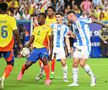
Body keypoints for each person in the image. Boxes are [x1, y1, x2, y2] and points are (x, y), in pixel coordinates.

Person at [17, 13, 52, 85]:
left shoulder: (48, 28)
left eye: (40, 18)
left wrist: (50, 52)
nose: (38, 19)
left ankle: (48, 79)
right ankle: (22, 72)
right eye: (38, 18)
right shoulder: (35, 28)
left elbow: (51, 41)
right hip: (35, 49)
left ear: (44, 19)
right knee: (28, 64)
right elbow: (31, 39)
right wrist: (25, 47)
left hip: (44, 49)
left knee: (45, 60)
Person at [66, 11, 96, 87]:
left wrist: (105, 25)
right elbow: (76, 36)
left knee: (82, 63)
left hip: (86, 45)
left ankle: (93, 77)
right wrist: (71, 34)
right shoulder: (73, 25)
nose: (67, 19)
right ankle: (75, 82)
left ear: (72, 16)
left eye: (68, 17)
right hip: (78, 45)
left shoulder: (82, 20)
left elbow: (94, 20)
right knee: (75, 63)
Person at [0, 2, 23, 89]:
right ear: (7, 9)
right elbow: (16, 32)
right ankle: (3, 77)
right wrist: (20, 43)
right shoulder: (11, 19)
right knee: (10, 63)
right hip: (7, 46)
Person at [36, 6, 56, 80]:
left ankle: (52, 73)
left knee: (52, 57)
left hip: (52, 41)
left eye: (50, 10)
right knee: (40, 58)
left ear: (53, 12)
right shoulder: (44, 19)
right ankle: (43, 71)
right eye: (48, 10)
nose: (49, 12)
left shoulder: (55, 20)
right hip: (43, 41)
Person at [50, 12, 71, 82]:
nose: (57, 18)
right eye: (56, 17)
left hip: (61, 47)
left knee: (63, 62)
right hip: (52, 47)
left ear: (62, 18)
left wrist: (68, 47)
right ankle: (41, 73)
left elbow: (67, 38)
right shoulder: (52, 26)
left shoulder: (66, 28)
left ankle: (65, 76)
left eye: (59, 17)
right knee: (45, 61)